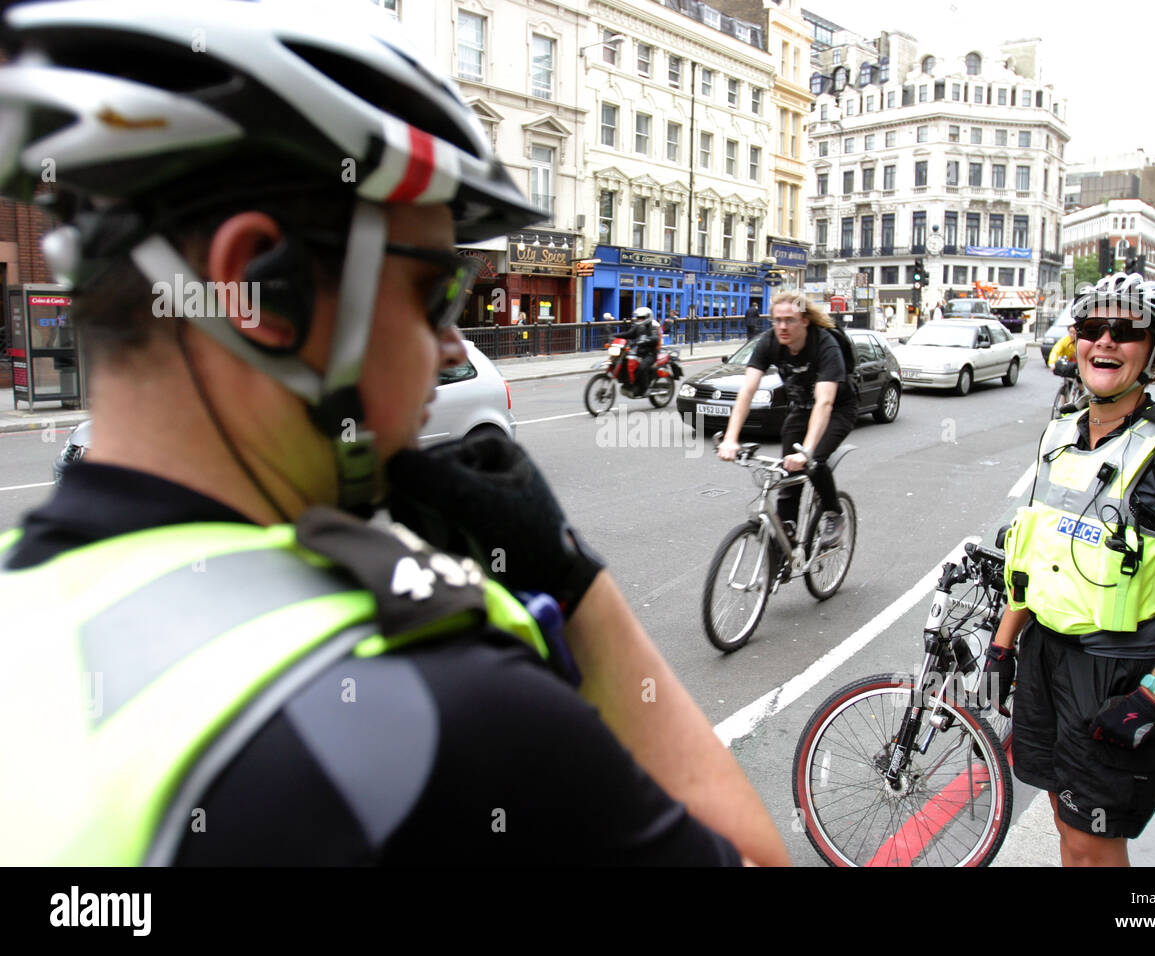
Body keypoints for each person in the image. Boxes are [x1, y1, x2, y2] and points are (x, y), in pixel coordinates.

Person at [0, 0, 788, 867]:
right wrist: (575, 584)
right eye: (434, 294)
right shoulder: (437, 705)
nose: (453, 345)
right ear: (258, 288)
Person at [984, 272, 1155, 867]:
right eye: (1092, 328)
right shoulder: (1058, 435)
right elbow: (1034, 550)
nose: (1105, 342)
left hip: (1119, 670)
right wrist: (1003, 644)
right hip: (1047, 654)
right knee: (1063, 819)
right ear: (1075, 342)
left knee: (1094, 841)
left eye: (1125, 331)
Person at [717, 291, 855, 550]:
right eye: (776, 320)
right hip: (801, 409)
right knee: (787, 475)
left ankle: (834, 514)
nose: (782, 326)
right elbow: (747, 391)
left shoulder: (825, 345)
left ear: (804, 320)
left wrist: (807, 452)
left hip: (838, 409)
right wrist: (731, 438)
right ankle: (786, 542)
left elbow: (825, 402)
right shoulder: (769, 342)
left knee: (813, 462)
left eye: (789, 320)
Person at [623, 305, 661, 395]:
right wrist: (614, 336)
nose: (639, 320)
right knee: (626, 362)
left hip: (650, 353)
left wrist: (647, 340)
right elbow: (628, 334)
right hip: (639, 352)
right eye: (638, 318)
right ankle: (630, 383)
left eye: (641, 318)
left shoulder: (653, 326)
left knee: (642, 367)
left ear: (647, 317)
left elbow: (655, 337)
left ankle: (644, 389)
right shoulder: (638, 327)